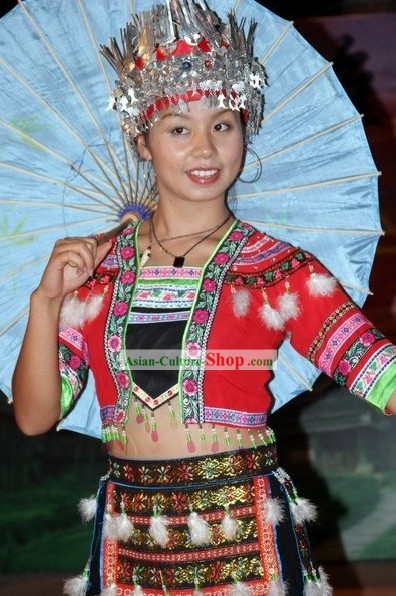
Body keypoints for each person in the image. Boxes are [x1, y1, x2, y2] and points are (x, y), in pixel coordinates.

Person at [11, 1, 396, 595]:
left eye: (223, 124)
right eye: (178, 128)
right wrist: (45, 301)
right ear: (142, 142)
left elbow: (374, 368)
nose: (205, 148)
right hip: (129, 540)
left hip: (245, 532)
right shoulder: (94, 272)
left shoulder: (276, 268)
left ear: (245, 131)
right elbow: (35, 416)